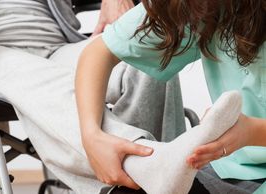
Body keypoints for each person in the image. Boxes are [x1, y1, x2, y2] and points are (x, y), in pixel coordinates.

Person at [0, 0, 191, 193]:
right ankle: (145, 164)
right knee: (36, 76)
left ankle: (143, 176)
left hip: (57, 47)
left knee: (145, 59)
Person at [77, 0, 266, 193]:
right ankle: (149, 164)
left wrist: (250, 132)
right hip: (231, 168)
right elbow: (100, 51)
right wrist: (91, 136)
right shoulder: (202, 8)